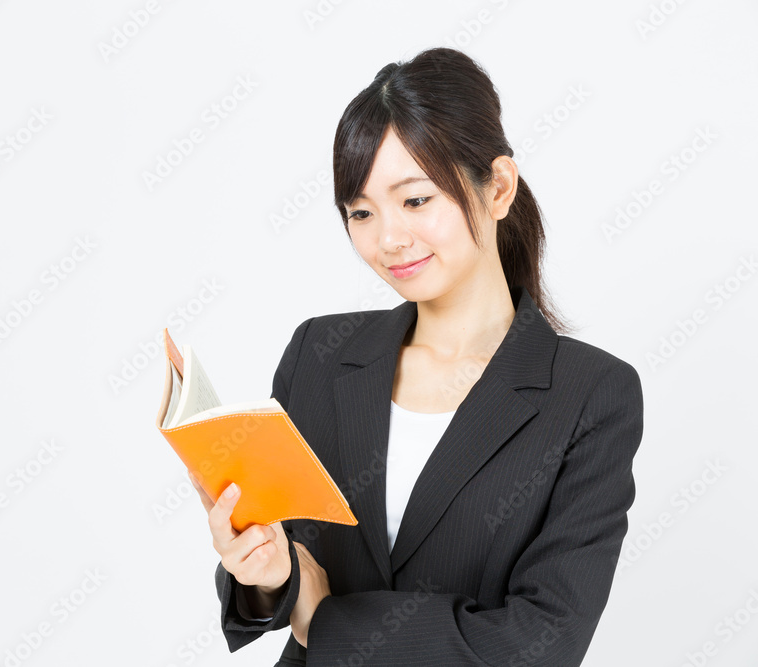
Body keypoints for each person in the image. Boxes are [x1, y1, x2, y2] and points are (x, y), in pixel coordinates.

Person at [189, 46, 644, 666]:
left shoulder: (590, 395)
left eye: (416, 199)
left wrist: (326, 621)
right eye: (361, 212)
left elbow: (543, 643)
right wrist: (265, 572)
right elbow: (288, 567)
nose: (388, 239)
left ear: (499, 187)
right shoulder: (318, 357)